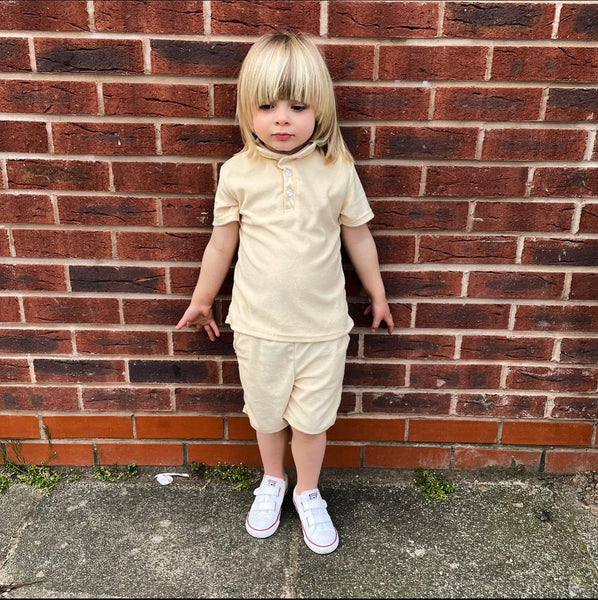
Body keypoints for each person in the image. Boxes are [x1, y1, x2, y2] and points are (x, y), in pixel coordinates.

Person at [176, 31, 394, 554]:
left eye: (297, 107)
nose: (282, 119)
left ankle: (307, 490)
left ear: (319, 109)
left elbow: (359, 236)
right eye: (267, 106)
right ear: (247, 110)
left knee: (313, 423)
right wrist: (203, 299)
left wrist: (378, 293)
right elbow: (220, 243)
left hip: (323, 330)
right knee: (267, 416)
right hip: (259, 328)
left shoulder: (337, 170)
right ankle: (273, 480)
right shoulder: (237, 173)